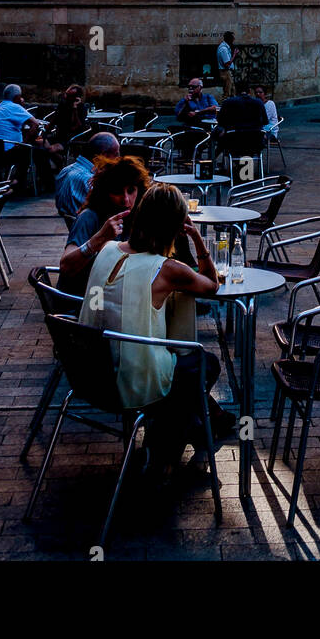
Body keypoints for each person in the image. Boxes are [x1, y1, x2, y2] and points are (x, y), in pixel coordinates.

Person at [78, 182, 234, 479]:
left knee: (184, 377)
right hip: (130, 382)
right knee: (203, 364)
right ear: (175, 227)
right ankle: (166, 454)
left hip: (89, 374)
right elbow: (212, 285)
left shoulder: (107, 249)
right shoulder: (167, 268)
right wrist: (198, 241)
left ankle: (188, 431)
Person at [58, 154, 148, 291]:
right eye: (117, 192)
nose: (125, 200)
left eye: (131, 191)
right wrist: (100, 238)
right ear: (105, 192)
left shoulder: (137, 218)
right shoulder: (90, 217)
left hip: (116, 292)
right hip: (89, 299)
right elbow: (65, 267)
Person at [54, 130, 121, 223]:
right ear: (103, 155)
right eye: (116, 155)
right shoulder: (89, 180)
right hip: (91, 229)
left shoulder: (65, 171)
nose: (118, 160)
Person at [174, 78, 219, 166]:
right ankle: (193, 157)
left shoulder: (208, 97)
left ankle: (211, 158)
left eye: (193, 87)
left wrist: (198, 112)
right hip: (194, 127)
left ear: (200, 87)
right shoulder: (185, 100)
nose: (191, 89)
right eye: (189, 87)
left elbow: (214, 108)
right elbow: (178, 116)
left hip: (208, 126)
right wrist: (186, 104)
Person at [216, 31, 236, 100]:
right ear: (229, 39)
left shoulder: (225, 47)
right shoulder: (223, 49)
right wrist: (234, 55)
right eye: (233, 38)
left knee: (232, 92)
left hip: (227, 72)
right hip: (226, 72)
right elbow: (227, 64)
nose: (234, 39)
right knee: (227, 93)